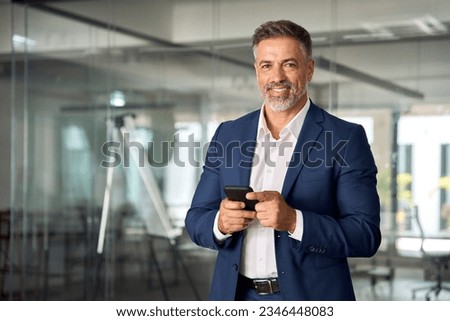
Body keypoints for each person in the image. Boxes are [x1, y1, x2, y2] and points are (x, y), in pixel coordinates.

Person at [185, 20, 381, 301]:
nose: (277, 76)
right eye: (267, 65)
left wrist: (294, 220)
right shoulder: (228, 134)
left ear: (309, 69)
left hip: (309, 299)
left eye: (289, 64)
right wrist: (220, 223)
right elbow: (195, 219)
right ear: (257, 71)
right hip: (235, 297)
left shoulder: (346, 137)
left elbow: (365, 235)